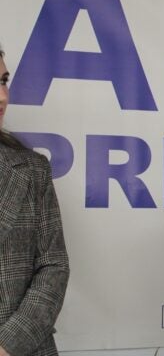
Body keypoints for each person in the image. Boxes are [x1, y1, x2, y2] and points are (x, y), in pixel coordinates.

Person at [0, 46, 69, 356]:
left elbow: (53, 266)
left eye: (3, 81)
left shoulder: (32, 169)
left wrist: (7, 346)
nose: (2, 96)